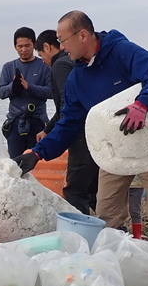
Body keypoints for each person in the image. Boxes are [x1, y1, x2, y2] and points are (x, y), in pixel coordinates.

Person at [14, 11, 148, 264]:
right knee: (107, 212)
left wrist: (143, 104)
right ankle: (116, 267)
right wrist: (38, 153)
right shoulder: (77, 79)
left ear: (82, 35)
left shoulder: (122, 51)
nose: (61, 47)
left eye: (63, 40)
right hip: (114, 150)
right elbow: (68, 123)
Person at [34, 29, 99, 214]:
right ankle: (109, 229)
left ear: (47, 47)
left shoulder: (60, 66)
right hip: (94, 129)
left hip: (78, 133)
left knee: (75, 191)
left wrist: (56, 135)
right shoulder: (74, 62)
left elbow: (67, 105)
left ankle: (79, 234)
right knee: (94, 188)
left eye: (41, 55)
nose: (43, 61)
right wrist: (48, 129)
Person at [0, 26, 52, 158]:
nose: (23, 50)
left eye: (27, 45)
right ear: (15, 46)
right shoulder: (8, 67)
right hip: (15, 121)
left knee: (38, 160)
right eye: (20, 46)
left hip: (38, 121)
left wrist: (29, 86)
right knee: (15, 162)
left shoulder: (44, 65)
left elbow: (51, 92)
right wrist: (14, 86)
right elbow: (1, 93)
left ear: (33, 45)